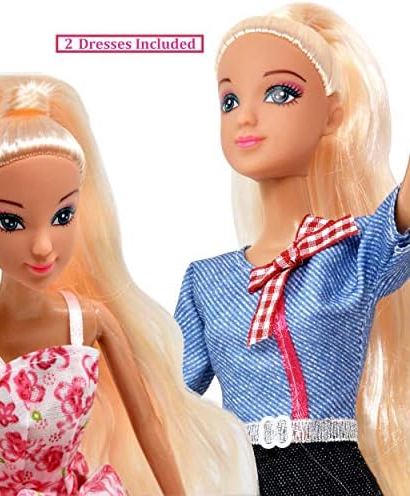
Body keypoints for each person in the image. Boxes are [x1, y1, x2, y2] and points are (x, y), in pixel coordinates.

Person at [0, 74, 259, 495]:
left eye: (62, 217)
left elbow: (148, 426)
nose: (42, 246)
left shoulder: (91, 323)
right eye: (10, 221)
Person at [174, 3, 409, 495]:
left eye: (280, 93)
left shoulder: (351, 250)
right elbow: (168, 397)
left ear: (332, 115)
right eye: (229, 100)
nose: (246, 116)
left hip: (335, 477)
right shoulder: (206, 282)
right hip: (242, 481)